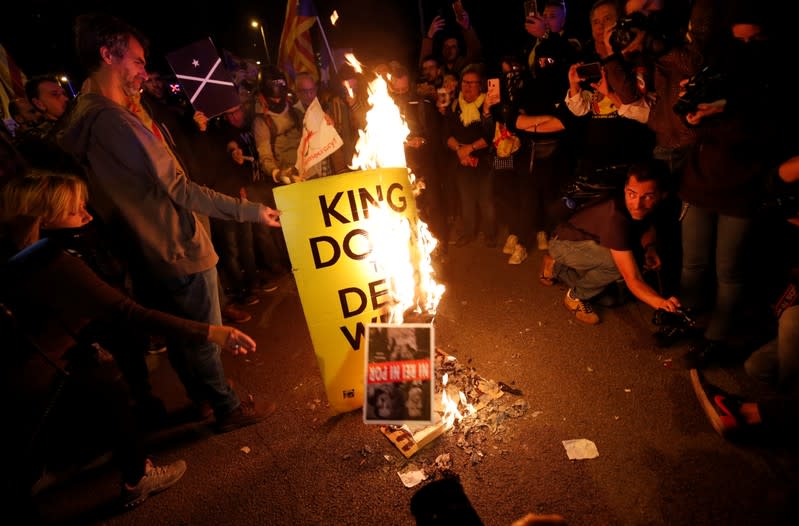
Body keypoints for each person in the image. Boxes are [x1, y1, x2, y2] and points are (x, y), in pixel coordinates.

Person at [59, 13, 281, 433]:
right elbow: (181, 190)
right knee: (203, 336)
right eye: (139, 62)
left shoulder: (87, 116)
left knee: (182, 333)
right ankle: (226, 405)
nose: (145, 72)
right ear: (108, 54)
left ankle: (201, 398)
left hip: (147, 250)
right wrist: (252, 212)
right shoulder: (116, 122)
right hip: (178, 247)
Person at [0, 171, 258, 518]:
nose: (87, 216)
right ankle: (136, 479)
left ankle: (119, 471)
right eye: (77, 211)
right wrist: (213, 332)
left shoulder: (15, 251)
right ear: (44, 218)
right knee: (105, 391)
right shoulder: (51, 261)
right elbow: (129, 312)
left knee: (107, 391)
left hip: (31, 370)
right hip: (34, 378)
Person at [540, 160, 681, 324]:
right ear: (625, 189)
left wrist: (649, 248)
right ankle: (574, 295)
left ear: (662, 195)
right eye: (632, 194)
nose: (637, 204)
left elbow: (648, 227)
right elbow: (632, 278)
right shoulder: (616, 216)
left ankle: (556, 267)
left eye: (647, 197)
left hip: (593, 243)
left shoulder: (654, 204)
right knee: (615, 266)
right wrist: (661, 303)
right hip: (564, 243)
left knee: (610, 300)